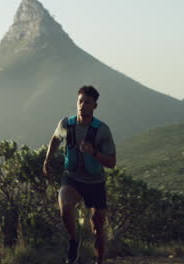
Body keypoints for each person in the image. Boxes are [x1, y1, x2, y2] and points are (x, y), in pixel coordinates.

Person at [43, 85, 116, 264]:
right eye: (80, 101)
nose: (82, 105)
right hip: (72, 178)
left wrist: (94, 153)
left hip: (95, 182)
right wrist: (47, 160)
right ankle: (74, 241)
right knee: (65, 206)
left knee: (98, 228)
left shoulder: (102, 130)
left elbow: (112, 163)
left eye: (87, 102)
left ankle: (99, 260)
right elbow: (55, 139)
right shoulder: (66, 124)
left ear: (95, 106)